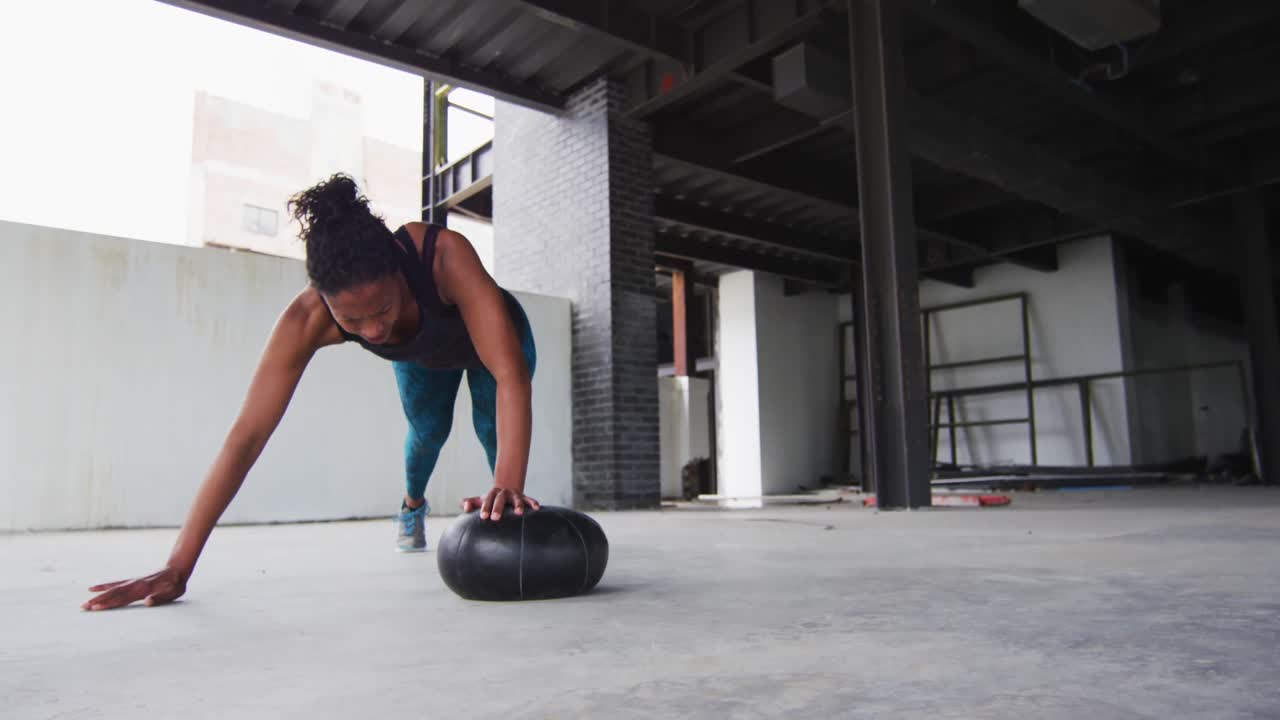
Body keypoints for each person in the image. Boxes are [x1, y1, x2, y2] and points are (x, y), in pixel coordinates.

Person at [81, 174, 539, 611]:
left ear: (399, 272)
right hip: (423, 356)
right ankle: (412, 507)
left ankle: (505, 500)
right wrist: (177, 566)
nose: (374, 330)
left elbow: (509, 375)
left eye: (382, 309)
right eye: (353, 322)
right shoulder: (308, 319)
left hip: (498, 341)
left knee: (491, 431)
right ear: (324, 300)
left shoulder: (442, 256)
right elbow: (246, 437)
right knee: (427, 431)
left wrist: (508, 484)